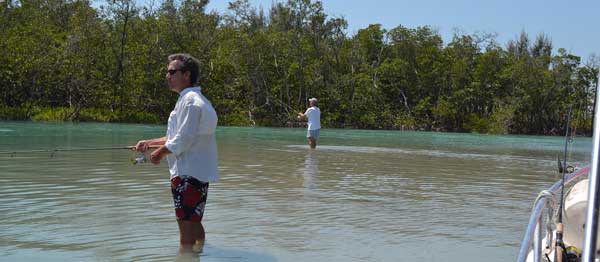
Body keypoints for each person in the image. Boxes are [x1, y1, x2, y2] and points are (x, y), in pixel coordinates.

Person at [135, 53, 218, 253]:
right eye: (168, 72)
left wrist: (159, 153)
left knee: (185, 237)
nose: (167, 76)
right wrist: (149, 143)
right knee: (195, 224)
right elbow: (176, 135)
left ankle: (187, 257)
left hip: (187, 175)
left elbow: (183, 139)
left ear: (186, 75)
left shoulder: (190, 101)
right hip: (195, 174)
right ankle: (200, 254)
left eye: (172, 71)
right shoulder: (194, 99)